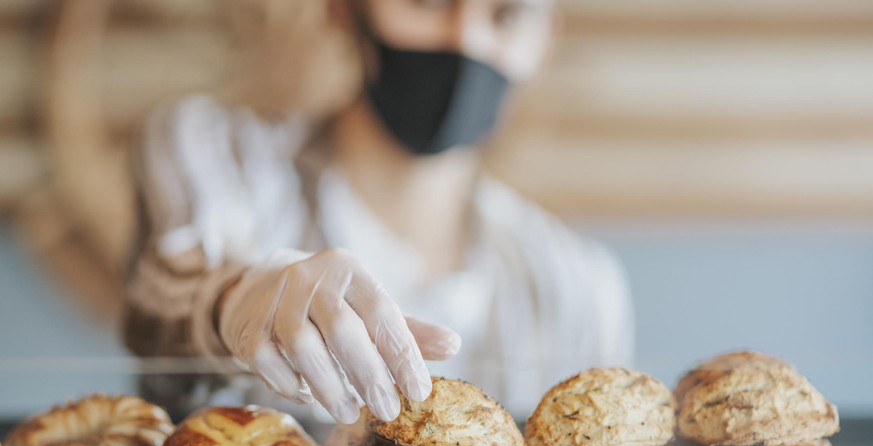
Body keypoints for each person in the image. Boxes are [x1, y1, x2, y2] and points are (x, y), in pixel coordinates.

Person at [122, 0, 633, 424]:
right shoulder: (216, 150)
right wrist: (234, 300)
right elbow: (162, 295)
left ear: (545, 39)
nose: (466, 41)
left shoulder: (578, 284)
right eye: (429, 2)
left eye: (505, 14)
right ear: (345, 10)